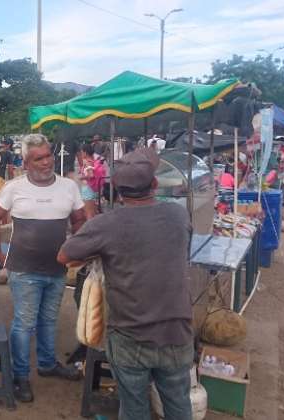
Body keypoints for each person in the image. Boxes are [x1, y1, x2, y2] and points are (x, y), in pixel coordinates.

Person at [57, 148, 194, 420]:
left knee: (133, 408)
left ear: (117, 190)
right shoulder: (178, 216)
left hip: (130, 336)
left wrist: (102, 251)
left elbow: (64, 255)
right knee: (178, 404)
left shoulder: (106, 224)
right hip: (176, 330)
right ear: (154, 185)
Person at [0, 133, 87, 402]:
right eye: (38, 158)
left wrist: (75, 246)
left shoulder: (68, 186)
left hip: (57, 270)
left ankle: (46, 364)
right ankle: (20, 375)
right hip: (24, 270)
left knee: (48, 321)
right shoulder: (14, 187)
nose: (46, 162)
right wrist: (0, 255)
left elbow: (79, 218)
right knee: (24, 324)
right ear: (26, 162)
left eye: (48, 156)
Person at [78, 143, 104, 218]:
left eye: (81, 152)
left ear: (85, 152)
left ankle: (90, 229)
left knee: (88, 214)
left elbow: (91, 175)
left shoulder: (87, 162)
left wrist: (81, 177)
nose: (81, 154)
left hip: (88, 191)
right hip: (93, 190)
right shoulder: (92, 160)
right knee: (94, 213)